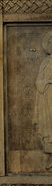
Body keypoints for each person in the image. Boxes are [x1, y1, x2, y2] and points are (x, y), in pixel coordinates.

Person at [34, 31, 52, 170]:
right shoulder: (45, 61)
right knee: (47, 126)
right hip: (46, 98)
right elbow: (38, 81)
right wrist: (45, 82)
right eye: (50, 42)